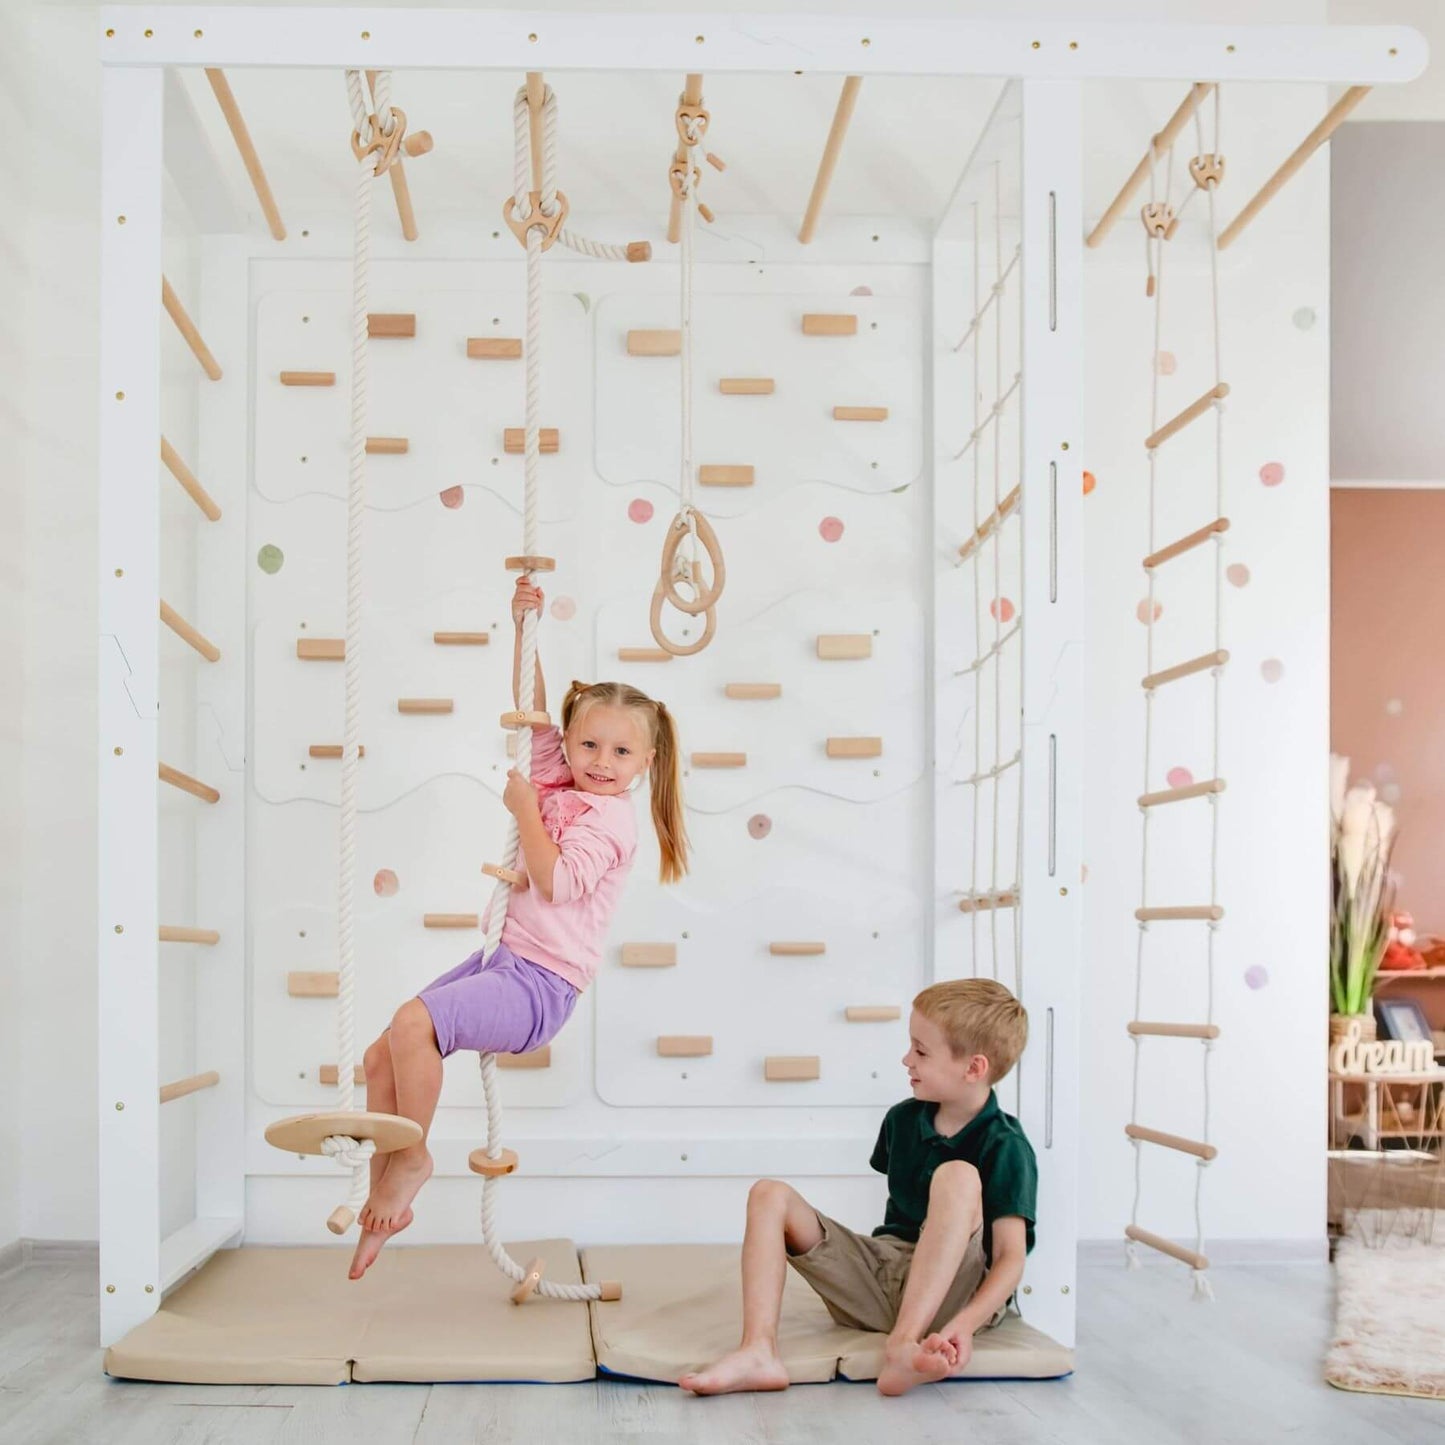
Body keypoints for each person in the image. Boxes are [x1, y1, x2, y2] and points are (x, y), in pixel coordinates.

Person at [349, 578, 688, 1279]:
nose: (599, 760)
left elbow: (555, 880)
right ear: (569, 744)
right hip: (500, 959)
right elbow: (534, 715)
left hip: (540, 986)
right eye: (587, 743)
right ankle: (390, 1186)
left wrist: (523, 808)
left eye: (620, 753)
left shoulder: (610, 821)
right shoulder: (561, 777)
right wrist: (523, 626)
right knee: (381, 1054)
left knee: (415, 1024)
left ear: (645, 763)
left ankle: (411, 1155)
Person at [680, 978, 1036, 1396]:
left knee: (957, 1175)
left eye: (921, 1051)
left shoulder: (1006, 1144)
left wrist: (966, 1324)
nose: (907, 1059)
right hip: (884, 1278)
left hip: (953, 1298)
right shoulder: (902, 1120)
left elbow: (1011, 1258)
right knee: (768, 1193)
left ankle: (903, 1346)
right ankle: (758, 1351)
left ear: (973, 1068)